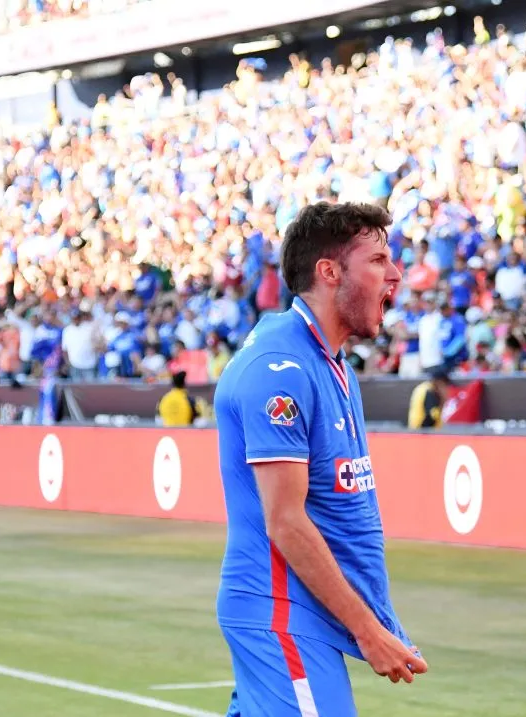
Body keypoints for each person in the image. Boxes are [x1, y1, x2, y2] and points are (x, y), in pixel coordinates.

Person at [212, 201, 427, 717]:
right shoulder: (279, 368)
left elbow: (340, 513)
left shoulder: (332, 366)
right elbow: (286, 521)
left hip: (300, 616)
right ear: (329, 272)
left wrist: (379, 617)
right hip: (282, 614)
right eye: (377, 260)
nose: (395, 274)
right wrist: (366, 630)